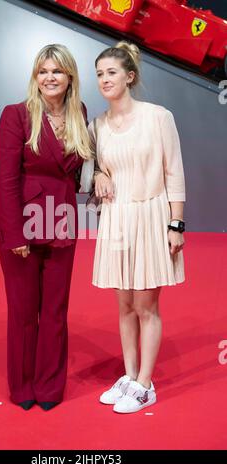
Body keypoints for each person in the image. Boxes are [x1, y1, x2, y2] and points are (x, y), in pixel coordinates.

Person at [0, 44, 91, 411]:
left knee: (54, 310)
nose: (50, 78)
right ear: (36, 76)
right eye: (43, 71)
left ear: (69, 78)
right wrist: (14, 233)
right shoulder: (16, 115)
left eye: (57, 71)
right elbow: (6, 180)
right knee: (23, 311)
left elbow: (82, 168)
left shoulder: (79, 113)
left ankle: (49, 387)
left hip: (61, 221)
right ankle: (23, 387)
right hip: (23, 224)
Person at [90, 41, 186, 413]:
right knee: (125, 306)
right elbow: (95, 166)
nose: (104, 79)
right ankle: (130, 377)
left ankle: (146, 385)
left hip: (150, 216)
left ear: (130, 76)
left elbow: (174, 171)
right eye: (99, 74)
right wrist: (98, 173)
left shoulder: (158, 117)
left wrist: (175, 223)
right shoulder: (97, 124)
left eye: (112, 72)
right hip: (115, 218)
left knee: (147, 306)